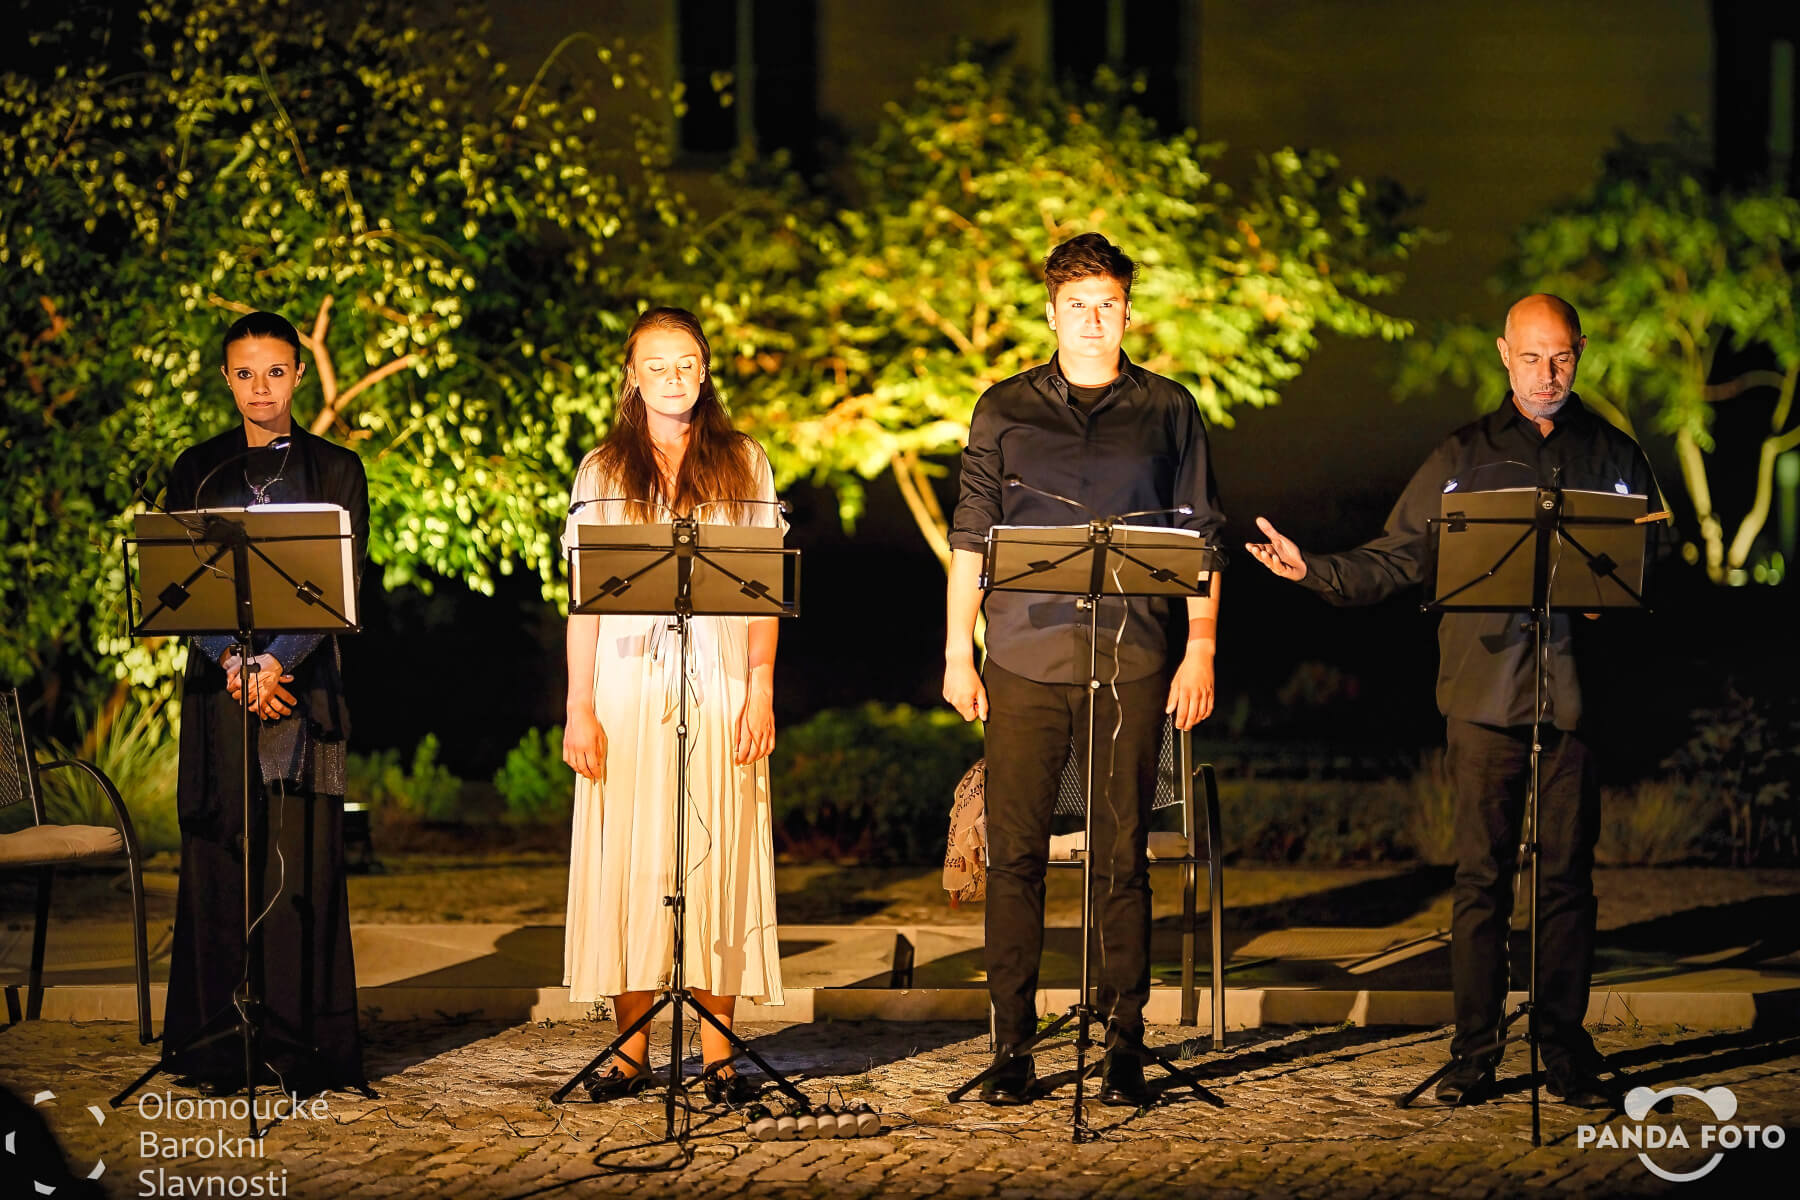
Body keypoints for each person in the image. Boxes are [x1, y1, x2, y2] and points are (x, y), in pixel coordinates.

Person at [1246, 294, 1656, 1109]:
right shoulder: (1461, 455)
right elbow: (1397, 558)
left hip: (1575, 699)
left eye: (1563, 357)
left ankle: (1563, 1049)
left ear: (1582, 353)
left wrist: (1628, 593)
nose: (1548, 374)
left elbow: (1659, 564)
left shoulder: (1616, 456)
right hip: (1482, 699)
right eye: (1532, 357)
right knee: (1481, 882)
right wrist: (1312, 571)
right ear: (1504, 354)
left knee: (1568, 881)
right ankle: (1475, 1053)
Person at [944, 233, 1226, 1108]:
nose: (1093, 320)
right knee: (1016, 859)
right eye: (1076, 305)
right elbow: (970, 537)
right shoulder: (1002, 409)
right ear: (1052, 312)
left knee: (1121, 861)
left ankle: (1123, 1045)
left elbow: (1202, 540)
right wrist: (959, 649)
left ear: (1128, 310)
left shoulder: (1173, 410)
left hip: (1135, 660)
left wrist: (1202, 647)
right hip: (1023, 660)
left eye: (1107, 304)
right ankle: (1012, 1047)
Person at [561, 306, 784, 1107]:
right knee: (633, 856)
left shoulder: (744, 461)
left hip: (720, 680)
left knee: (717, 855)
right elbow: (584, 601)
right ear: (631, 376)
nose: (674, 378)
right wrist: (578, 704)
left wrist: (760, 689)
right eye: (657, 365)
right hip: (626, 685)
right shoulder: (601, 470)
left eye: (687, 362)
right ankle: (630, 1052)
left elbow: (763, 591)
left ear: (705, 368)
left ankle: (720, 1053)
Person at [161, 311, 369, 1094]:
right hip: (222, 692)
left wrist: (275, 664)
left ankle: (299, 1050)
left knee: (299, 865)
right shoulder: (199, 468)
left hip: (301, 692)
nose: (260, 387)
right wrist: (236, 664)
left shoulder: (337, 468)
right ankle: (219, 1044)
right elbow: (179, 587)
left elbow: (345, 589)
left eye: (275, 372)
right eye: (244, 373)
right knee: (221, 857)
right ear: (225, 379)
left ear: (298, 375)